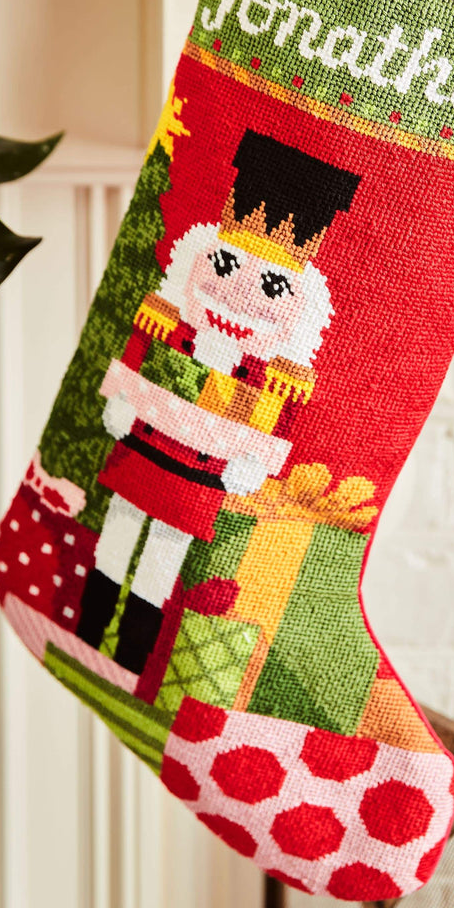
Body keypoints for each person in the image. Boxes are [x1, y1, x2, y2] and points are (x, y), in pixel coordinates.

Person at [76, 128, 359, 674]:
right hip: (144, 445)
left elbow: (278, 419)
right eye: (226, 267)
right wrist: (123, 401)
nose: (240, 295)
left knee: (163, 556)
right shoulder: (169, 323)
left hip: (202, 474)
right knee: (119, 528)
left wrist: (250, 462)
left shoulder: (272, 375)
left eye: (271, 288)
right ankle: (89, 625)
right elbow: (138, 352)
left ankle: (132, 656)